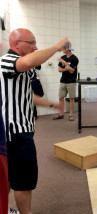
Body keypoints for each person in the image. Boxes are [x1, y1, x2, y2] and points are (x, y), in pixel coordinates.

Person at [0, 28, 67, 214]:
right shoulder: (8, 61)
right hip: (15, 132)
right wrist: (56, 47)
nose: (35, 47)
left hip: (21, 130)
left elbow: (27, 95)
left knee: (9, 176)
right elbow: (29, 61)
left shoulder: (23, 68)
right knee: (23, 182)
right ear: (16, 44)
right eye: (31, 43)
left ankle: (3, 209)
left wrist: (52, 104)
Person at [53, 43, 79, 121]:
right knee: (61, 97)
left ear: (67, 49)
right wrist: (67, 68)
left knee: (71, 98)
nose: (62, 50)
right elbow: (59, 70)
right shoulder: (62, 57)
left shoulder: (74, 59)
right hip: (63, 81)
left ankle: (71, 115)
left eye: (63, 48)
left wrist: (64, 63)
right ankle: (61, 114)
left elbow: (71, 71)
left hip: (71, 81)